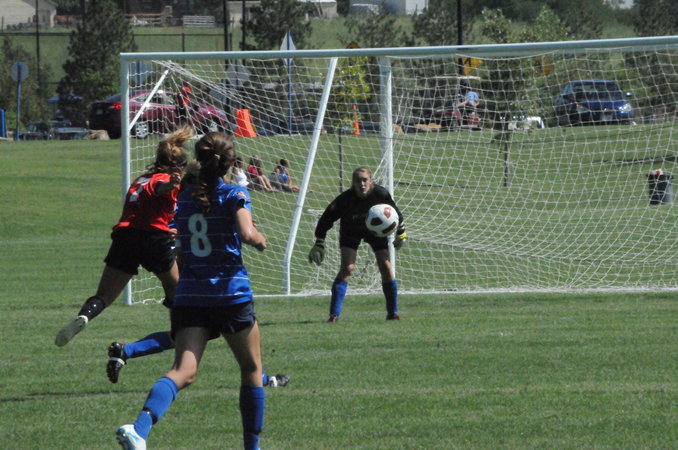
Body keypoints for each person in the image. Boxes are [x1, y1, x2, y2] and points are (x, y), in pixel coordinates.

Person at [116, 132, 268, 450]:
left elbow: (180, 241)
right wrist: (259, 239)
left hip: (190, 296)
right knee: (252, 369)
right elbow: (246, 232)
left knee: (183, 371)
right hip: (229, 293)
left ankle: (139, 428)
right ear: (229, 164)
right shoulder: (234, 193)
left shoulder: (184, 199)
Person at [54, 126, 192, 347]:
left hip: (125, 237)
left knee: (105, 295)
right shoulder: (164, 180)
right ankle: (184, 333)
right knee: (176, 288)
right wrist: (172, 185)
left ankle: (84, 316)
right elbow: (160, 188)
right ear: (179, 166)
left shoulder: (140, 180)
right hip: (153, 240)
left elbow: (145, 209)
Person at [307, 167, 407, 322]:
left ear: (371, 181)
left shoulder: (381, 194)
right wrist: (319, 241)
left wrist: (401, 232)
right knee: (347, 268)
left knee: (386, 267)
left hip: (375, 232)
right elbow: (326, 219)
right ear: (353, 183)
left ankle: (393, 313)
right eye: (358, 180)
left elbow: (396, 214)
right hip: (351, 230)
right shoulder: (344, 200)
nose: (362, 184)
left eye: (365, 180)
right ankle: (334, 315)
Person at [106, 334, 290, 388]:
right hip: (211, 287)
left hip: (192, 286)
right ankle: (264, 380)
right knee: (243, 329)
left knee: (186, 336)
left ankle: (126, 351)